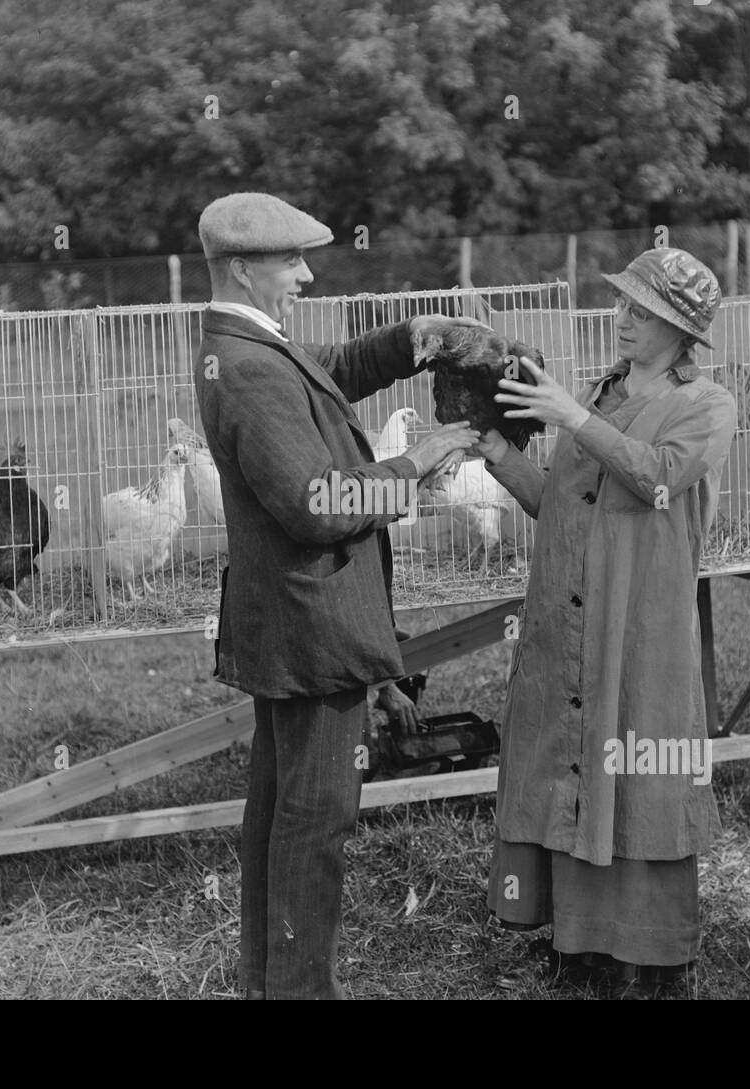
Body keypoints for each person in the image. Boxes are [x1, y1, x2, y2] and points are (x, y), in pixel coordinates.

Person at [192, 192, 483, 999]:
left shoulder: (244, 344)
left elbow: (325, 379)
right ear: (244, 269)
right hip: (310, 628)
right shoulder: (248, 366)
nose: (308, 274)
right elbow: (319, 504)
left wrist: (409, 341)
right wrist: (417, 464)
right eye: (293, 261)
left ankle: (266, 983)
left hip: (287, 623)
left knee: (281, 815)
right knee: (314, 829)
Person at [479, 248, 736, 996]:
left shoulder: (708, 404)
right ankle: (582, 945)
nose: (622, 319)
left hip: (640, 622)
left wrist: (571, 416)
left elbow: (656, 476)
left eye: (641, 310)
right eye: (621, 304)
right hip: (567, 619)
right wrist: (498, 452)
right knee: (569, 766)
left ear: (680, 329)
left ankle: (654, 957)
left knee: (642, 770)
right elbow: (560, 504)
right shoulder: (601, 390)